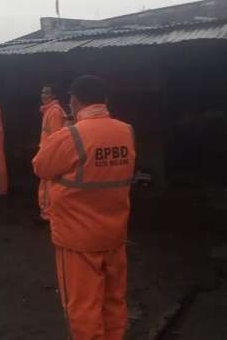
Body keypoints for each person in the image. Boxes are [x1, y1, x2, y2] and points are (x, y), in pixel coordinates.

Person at [32, 75, 136, 340]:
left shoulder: (72, 136)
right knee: (114, 301)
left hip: (78, 240)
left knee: (83, 308)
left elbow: (40, 167)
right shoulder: (126, 131)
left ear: (74, 101)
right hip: (115, 234)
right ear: (106, 100)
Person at [38, 84, 67, 220]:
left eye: (47, 93)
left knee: (47, 185)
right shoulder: (50, 111)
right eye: (43, 92)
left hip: (50, 154)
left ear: (54, 95)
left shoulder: (54, 112)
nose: (43, 95)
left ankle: (47, 215)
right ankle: (48, 213)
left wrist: (48, 156)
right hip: (48, 152)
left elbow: (55, 138)